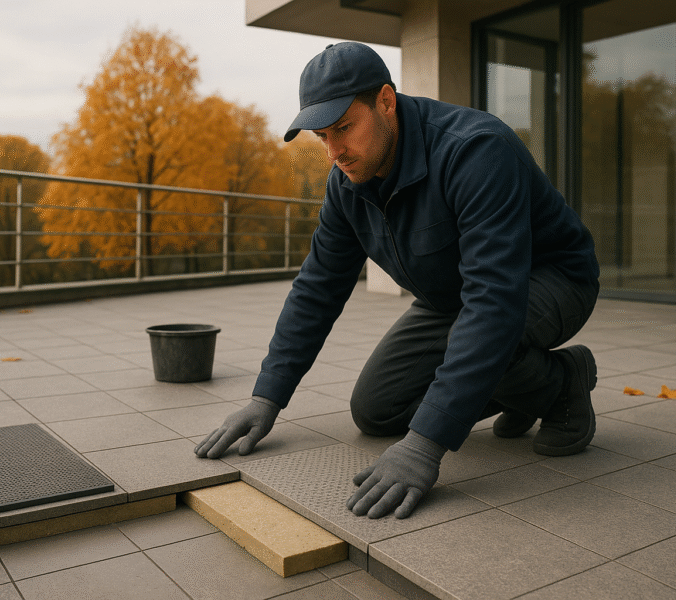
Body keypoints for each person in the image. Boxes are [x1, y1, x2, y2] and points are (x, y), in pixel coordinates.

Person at [195, 42, 600, 520]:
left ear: (386, 101)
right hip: (450, 300)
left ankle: (562, 385)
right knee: (377, 411)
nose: (334, 152)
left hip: (549, 279)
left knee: (480, 339)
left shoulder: (475, 151)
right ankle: (526, 386)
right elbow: (317, 288)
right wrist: (267, 395)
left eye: (343, 128)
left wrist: (424, 447)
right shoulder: (346, 183)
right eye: (321, 135)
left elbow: (493, 305)